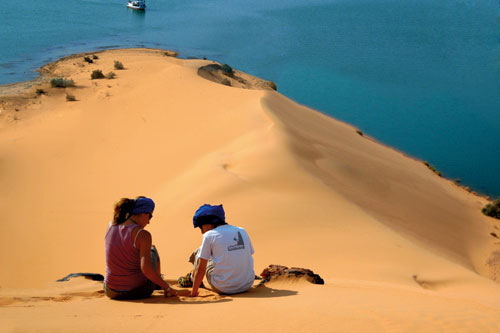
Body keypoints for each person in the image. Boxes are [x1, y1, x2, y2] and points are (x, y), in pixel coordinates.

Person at [104, 196, 182, 299]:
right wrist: (167, 287)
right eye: (150, 216)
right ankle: (158, 284)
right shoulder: (142, 235)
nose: (148, 222)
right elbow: (146, 269)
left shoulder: (111, 225)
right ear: (143, 213)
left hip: (110, 291)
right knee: (152, 251)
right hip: (136, 291)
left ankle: (157, 282)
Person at [180, 204, 255, 296]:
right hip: (247, 284)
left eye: (201, 227)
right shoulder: (242, 230)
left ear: (207, 223)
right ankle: (239, 277)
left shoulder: (209, 235)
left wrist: (193, 293)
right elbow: (247, 256)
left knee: (199, 252)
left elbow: (201, 269)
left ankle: (192, 279)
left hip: (222, 287)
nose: (202, 232)